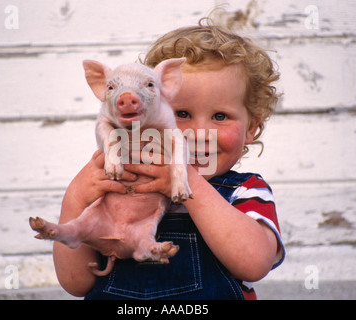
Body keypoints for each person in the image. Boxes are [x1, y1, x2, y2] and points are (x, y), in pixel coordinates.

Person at [53, 17, 285, 300]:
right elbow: (75, 282)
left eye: (220, 116)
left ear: (251, 129)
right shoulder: (118, 178)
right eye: (182, 114)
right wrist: (76, 198)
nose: (199, 133)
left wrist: (188, 181)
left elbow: (254, 264)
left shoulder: (245, 190)